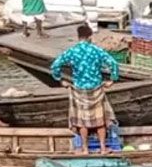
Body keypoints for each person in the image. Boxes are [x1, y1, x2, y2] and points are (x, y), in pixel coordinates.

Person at [50, 24, 120, 155]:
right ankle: (103, 148)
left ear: (78, 36)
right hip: (96, 89)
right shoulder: (96, 50)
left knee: (82, 122)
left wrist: (60, 80)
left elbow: (55, 66)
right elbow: (113, 63)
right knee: (100, 121)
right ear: (89, 37)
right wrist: (112, 79)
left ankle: (85, 149)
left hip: (79, 90)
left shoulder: (72, 51)